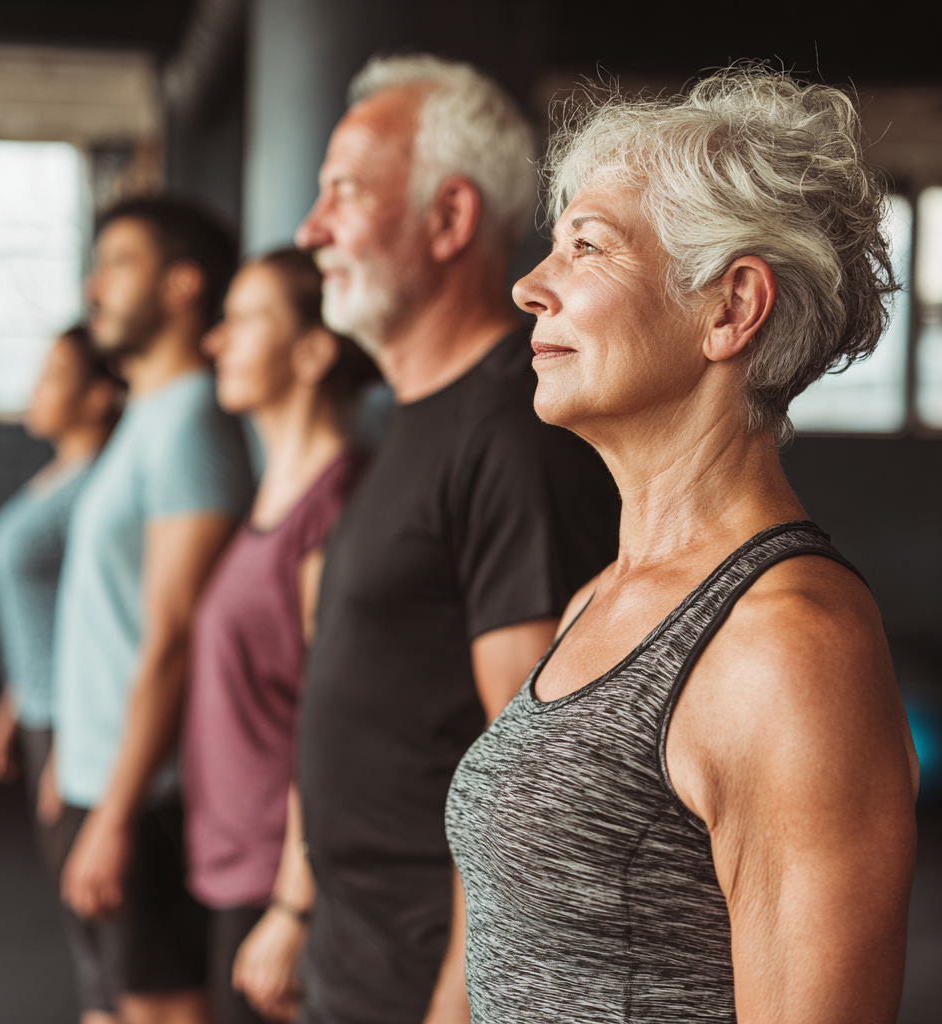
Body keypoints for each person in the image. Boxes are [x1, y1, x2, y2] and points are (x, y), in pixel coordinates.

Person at [445, 68, 920, 1023]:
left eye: (587, 246)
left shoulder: (789, 646)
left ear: (731, 308)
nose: (529, 287)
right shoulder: (597, 598)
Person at [234, 55, 620, 1024]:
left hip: (425, 983)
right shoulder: (411, 420)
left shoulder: (511, 433)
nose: (310, 230)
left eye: (343, 194)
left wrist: (456, 1003)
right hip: (356, 955)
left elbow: (529, 777)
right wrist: (300, 907)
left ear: (449, 219)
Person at [48, 197, 254, 1024]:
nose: (94, 287)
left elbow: (173, 636)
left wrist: (117, 812)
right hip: (98, 775)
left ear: (182, 285)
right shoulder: (150, 414)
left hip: (144, 792)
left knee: (159, 1011)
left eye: (119, 264)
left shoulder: (191, 422)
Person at [180, 248, 379, 1024]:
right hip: (234, 863)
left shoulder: (333, 510)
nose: (215, 340)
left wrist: (295, 906)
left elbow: (335, 725)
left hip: (281, 878)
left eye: (244, 319)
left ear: (313, 351)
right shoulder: (275, 494)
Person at [0, 326, 122, 868]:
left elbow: (95, 623)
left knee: (85, 883)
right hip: (41, 709)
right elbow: (47, 610)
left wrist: (70, 748)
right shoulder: (61, 476)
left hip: (75, 718)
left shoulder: (95, 490)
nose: (34, 390)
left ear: (99, 395)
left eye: (54, 376)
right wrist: (12, 703)